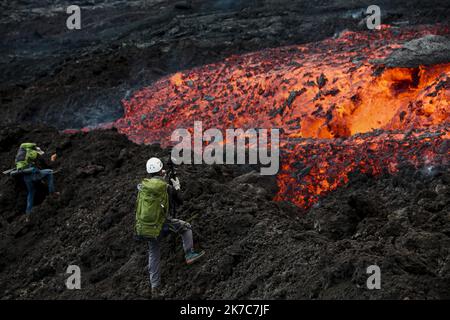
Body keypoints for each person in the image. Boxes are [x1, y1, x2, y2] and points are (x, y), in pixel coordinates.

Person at [135, 157, 205, 298]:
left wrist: (163, 177)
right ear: (161, 170)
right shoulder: (165, 187)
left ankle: (155, 286)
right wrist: (176, 187)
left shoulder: (143, 186)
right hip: (161, 224)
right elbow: (180, 201)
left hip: (145, 227)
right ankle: (190, 254)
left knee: (153, 252)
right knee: (186, 227)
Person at [15, 143, 57, 217]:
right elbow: (42, 161)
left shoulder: (20, 153)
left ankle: (28, 212)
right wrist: (50, 164)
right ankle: (52, 194)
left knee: (31, 191)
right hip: (32, 174)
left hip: (25, 176)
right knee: (50, 172)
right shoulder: (32, 152)